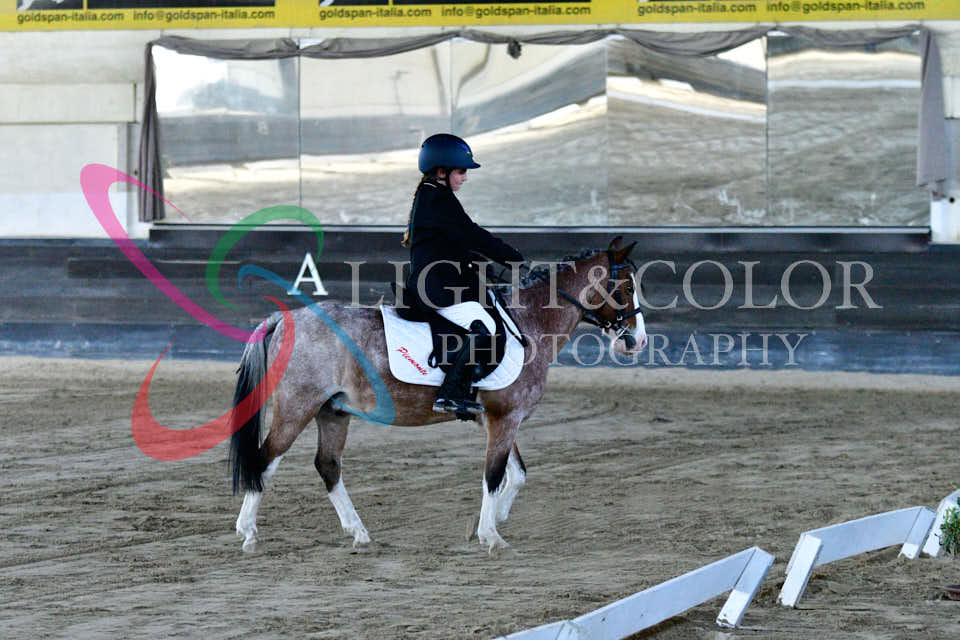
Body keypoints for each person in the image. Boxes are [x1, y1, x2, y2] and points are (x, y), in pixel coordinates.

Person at [402, 133, 524, 418]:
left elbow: (454, 242)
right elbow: (472, 234)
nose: (465, 177)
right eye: (460, 171)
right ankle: (451, 394)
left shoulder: (433, 195)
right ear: (441, 172)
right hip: (437, 288)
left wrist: (479, 262)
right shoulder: (438, 200)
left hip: (443, 281)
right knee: (484, 326)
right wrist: (512, 256)